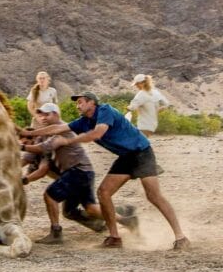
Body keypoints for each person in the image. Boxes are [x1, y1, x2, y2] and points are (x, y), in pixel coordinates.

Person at [21, 91, 189, 250]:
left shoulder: (105, 110)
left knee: (154, 196)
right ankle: (114, 237)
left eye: (80, 102)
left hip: (141, 153)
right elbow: (57, 129)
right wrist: (26, 132)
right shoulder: (83, 121)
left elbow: (97, 134)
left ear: (91, 102)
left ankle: (181, 237)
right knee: (103, 192)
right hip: (126, 157)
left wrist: (66, 142)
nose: (77, 106)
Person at [22, 102, 138, 243]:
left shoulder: (61, 129)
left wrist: (21, 147)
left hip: (76, 171)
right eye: (40, 114)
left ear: (56, 114)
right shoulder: (43, 134)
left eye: (47, 114)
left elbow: (44, 150)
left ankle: (56, 233)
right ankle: (126, 220)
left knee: (50, 196)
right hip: (83, 171)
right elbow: (30, 157)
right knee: (87, 208)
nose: (43, 117)